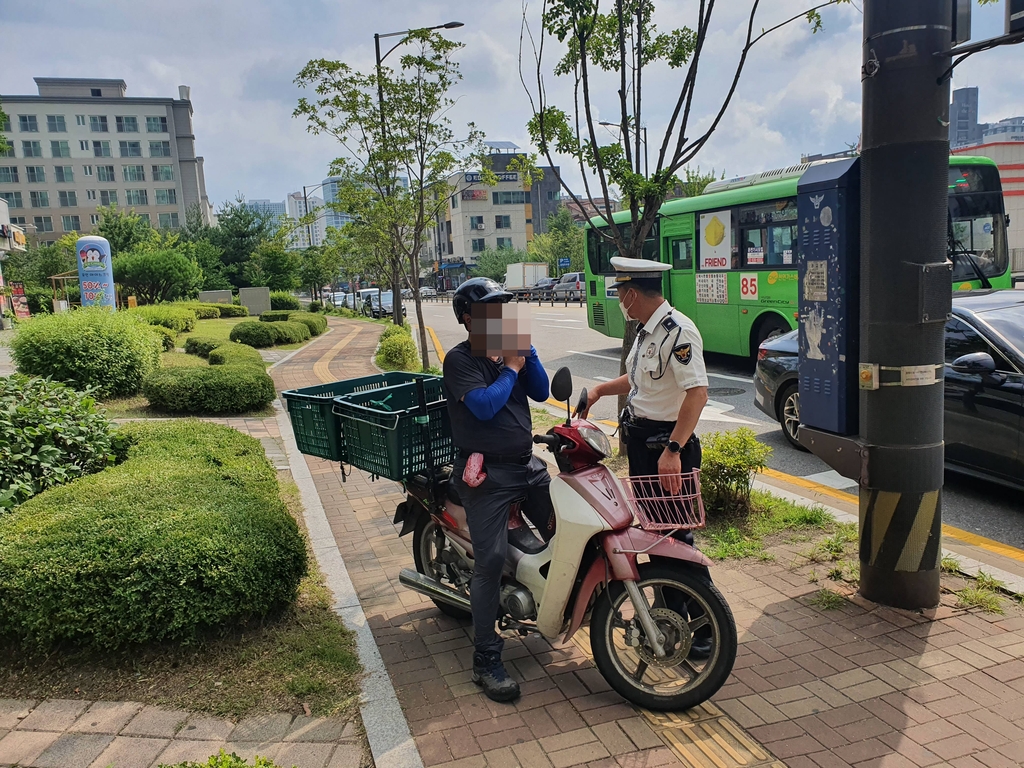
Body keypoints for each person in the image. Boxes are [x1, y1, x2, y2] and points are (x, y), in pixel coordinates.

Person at [579, 256, 713, 657]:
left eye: (620, 293)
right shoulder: (646, 331)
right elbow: (641, 381)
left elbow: (698, 393)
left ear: (632, 293)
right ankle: (672, 613)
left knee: (676, 537)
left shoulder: (678, 332)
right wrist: (601, 390)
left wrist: (673, 450)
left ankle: (706, 631)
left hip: (664, 448)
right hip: (644, 446)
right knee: (657, 533)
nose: (620, 301)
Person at [442, 277, 553, 703]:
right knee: (488, 560)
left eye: (504, 308)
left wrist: (527, 353)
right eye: (491, 310)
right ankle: (486, 656)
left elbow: (541, 390)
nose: (501, 315)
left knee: (562, 528)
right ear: (470, 319)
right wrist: (510, 367)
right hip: (486, 476)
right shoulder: (460, 360)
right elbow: (485, 407)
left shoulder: (511, 346)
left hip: (527, 467)